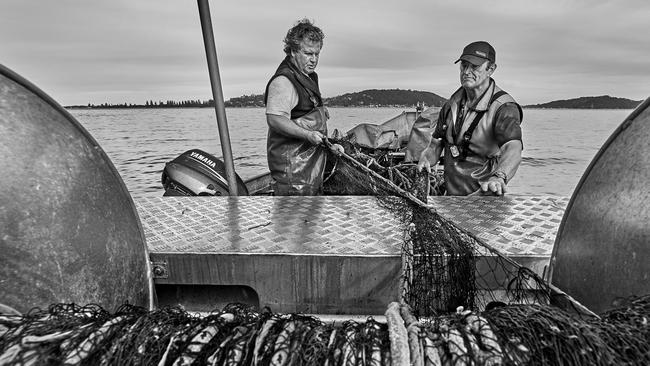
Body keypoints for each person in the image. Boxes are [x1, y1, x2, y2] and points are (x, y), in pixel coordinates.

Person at [417, 41, 523, 196]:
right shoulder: (450, 105)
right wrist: (426, 158)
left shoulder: (504, 108)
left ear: (491, 69)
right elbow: (436, 143)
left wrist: (499, 177)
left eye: (475, 67)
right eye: (464, 65)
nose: (466, 71)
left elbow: (513, 148)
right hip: (451, 199)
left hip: (484, 199)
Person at [264, 18, 343, 196]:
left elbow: (306, 112)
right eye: (308, 53)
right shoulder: (283, 81)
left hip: (311, 167)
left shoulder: (309, 76)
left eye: (317, 54)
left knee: (311, 218)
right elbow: (275, 119)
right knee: (293, 221)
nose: (313, 59)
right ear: (293, 51)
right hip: (293, 171)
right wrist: (308, 134)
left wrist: (330, 143)